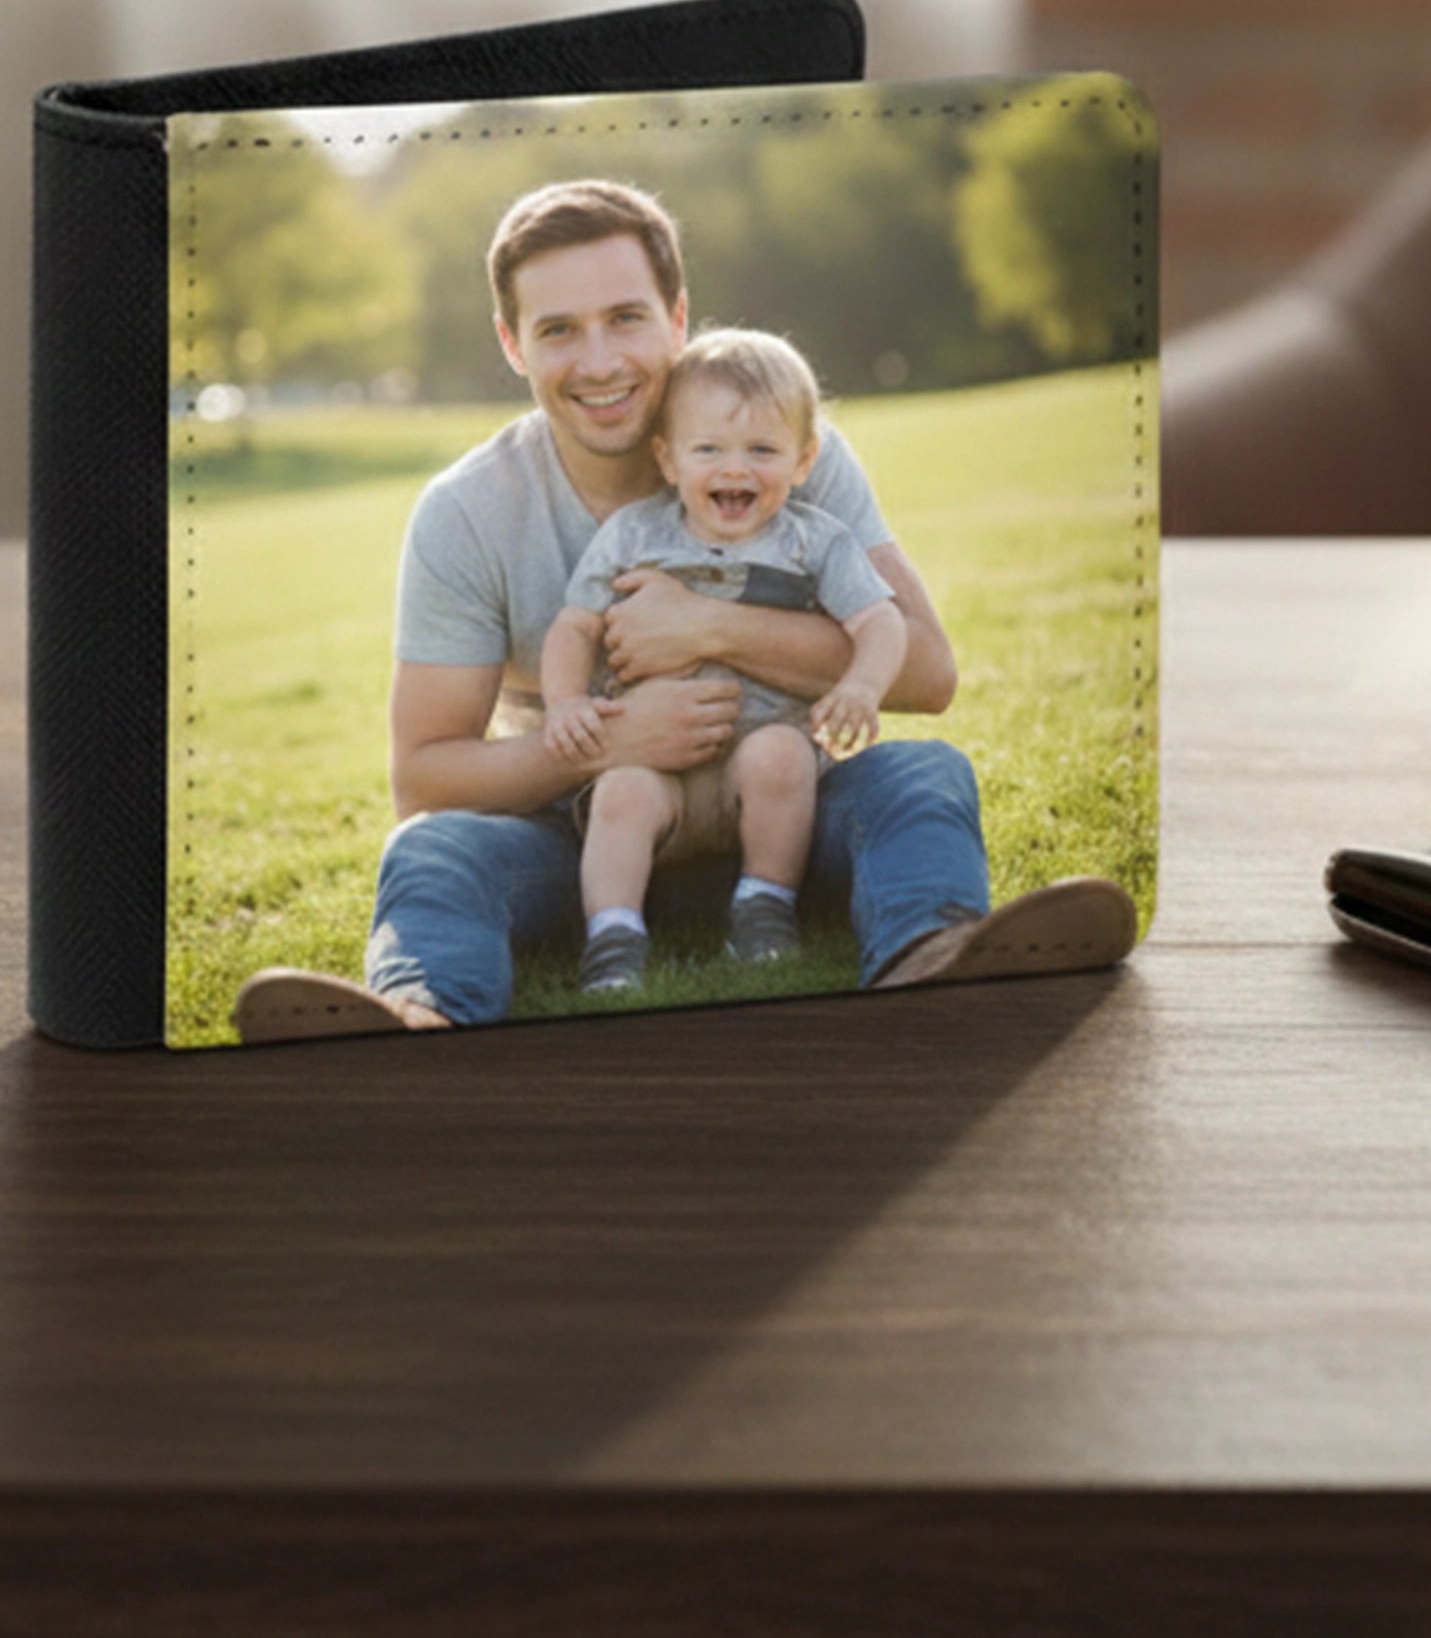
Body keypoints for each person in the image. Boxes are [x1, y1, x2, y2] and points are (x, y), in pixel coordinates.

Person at [232, 178, 1133, 1043]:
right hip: (588, 845)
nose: (598, 361)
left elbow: (928, 671)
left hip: (772, 818)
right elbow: (423, 781)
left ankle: (932, 957)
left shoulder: (781, 447)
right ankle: (422, 1015)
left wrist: (709, 626)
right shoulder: (468, 511)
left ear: (676, 315)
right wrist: (613, 742)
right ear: (512, 343)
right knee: (431, 852)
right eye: (558, 330)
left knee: (923, 776)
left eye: (624, 317)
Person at [542, 327, 907, 993]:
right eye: (708, 448)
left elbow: (880, 619)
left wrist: (861, 683)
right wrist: (565, 702)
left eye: (761, 449)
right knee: (619, 793)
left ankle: (763, 905)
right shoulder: (633, 533)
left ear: (802, 460)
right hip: (656, 769)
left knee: (781, 754)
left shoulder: (812, 540)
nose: (734, 469)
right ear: (668, 458)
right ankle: (613, 937)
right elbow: (574, 624)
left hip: (756, 769)